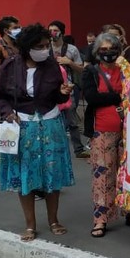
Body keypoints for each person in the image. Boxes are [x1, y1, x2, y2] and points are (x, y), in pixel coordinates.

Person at [0, 23, 76, 242]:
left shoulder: (52, 66)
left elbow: (58, 98)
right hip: (22, 127)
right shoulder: (10, 66)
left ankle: (54, 220)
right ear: (27, 47)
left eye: (46, 44)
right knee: (25, 177)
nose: (44, 49)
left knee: (52, 173)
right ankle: (30, 225)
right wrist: (8, 113)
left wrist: (63, 93)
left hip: (50, 125)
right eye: (39, 46)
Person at [82, 33, 130, 237]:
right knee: (103, 175)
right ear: (96, 52)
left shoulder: (127, 71)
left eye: (112, 49)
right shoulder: (91, 72)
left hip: (129, 130)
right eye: (103, 49)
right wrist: (119, 96)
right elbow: (92, 98)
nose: (108, 53)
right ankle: (100, 218)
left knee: (129, 173)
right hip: (102, 131)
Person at [48, 20, 88, 158]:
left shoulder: (71, 49)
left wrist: (69, 62)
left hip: (68, 87)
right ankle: (54, 149)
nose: (52, 33)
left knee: (72, 120)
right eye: (50, 30)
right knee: (51, 119)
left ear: (62, 33)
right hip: (50, 88)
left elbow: (81, 69)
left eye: (55, 30)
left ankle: (78, 149)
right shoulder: (45, 48)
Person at [0, 15, 20, 84]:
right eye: (15, 28)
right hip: (6, 86)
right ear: (6, 31)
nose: (19, 30)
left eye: (19, 27)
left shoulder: (19, 45)